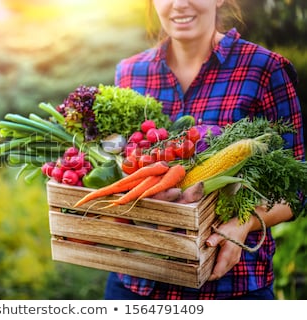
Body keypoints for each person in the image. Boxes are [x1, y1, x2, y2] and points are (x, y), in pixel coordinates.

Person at [104, 0, 305, 300]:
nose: (179, 4)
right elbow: (117, 161)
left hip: (230, 288)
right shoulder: (131, 72)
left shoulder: (264, 69)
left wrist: (243, 223)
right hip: (136, 284)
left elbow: (297, 189)